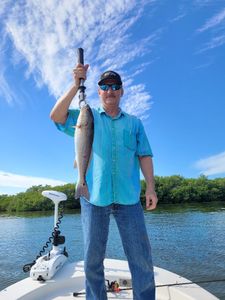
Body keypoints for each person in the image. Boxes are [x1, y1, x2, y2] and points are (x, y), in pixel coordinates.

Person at [50, 63, 158, 300]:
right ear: (99, 92)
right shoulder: (86, 116)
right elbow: (56, 116)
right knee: (92, 260)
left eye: (115, 86)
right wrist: (74, 85)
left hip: (129, 199)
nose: (110, 90)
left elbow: (145, 155)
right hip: (93, 197)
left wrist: (150, 187)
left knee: (141, 259)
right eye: (104, 86)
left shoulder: (134, 123)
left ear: (122, 91)